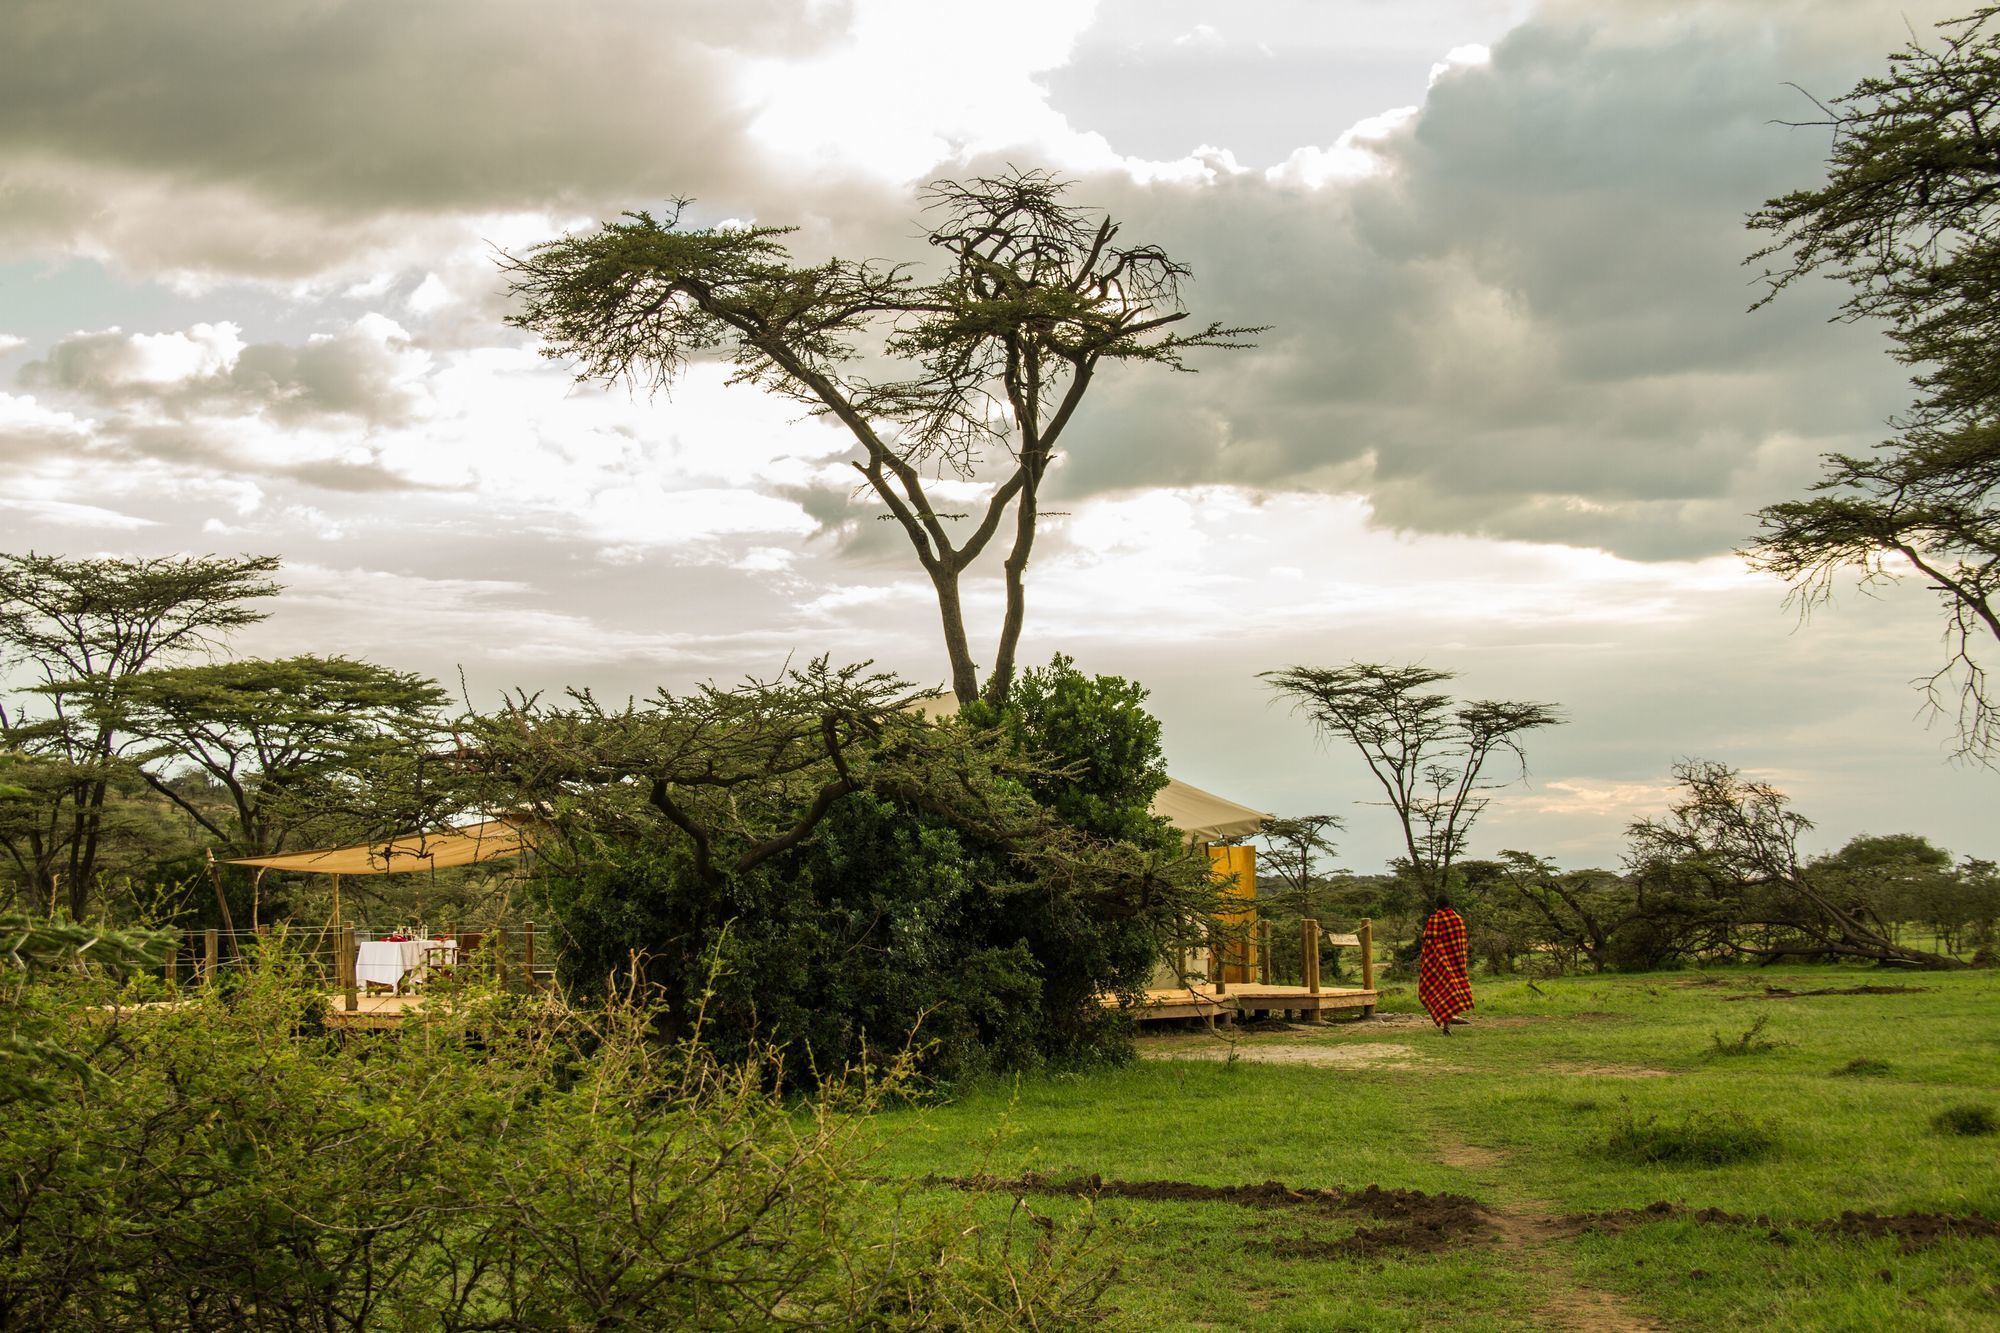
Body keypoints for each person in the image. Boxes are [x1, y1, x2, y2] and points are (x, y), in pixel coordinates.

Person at [1418, 895, 1474, 1034]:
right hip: (1456, 963)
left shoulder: (1435, 919)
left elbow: (1429, 941)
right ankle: (1448, 1020)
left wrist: (1426, 959)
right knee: (1452, 990)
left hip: (1438, 963)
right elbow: (1461, 942)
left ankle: (1447, 1022)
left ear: (1437, 904)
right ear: (1449, 904)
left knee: (1440, 990)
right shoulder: (1458, 919)